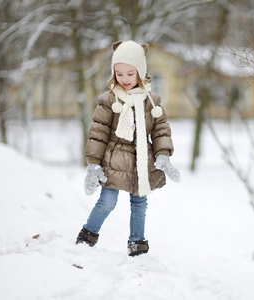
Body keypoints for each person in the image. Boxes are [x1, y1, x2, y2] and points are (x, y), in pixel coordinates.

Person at [75, 40, 180, 257]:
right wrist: (94, 164)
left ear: (140, 72)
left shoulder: (152, 101)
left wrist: (163, 155)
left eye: (130, 74)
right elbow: (98, 132)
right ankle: (87, 236)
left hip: (142, 159)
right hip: (113, 159)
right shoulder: (108, 99)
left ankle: (137, 243)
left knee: (139, 203)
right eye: (119, 74)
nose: (124, 79)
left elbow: (160, 130)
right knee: (107, 201)